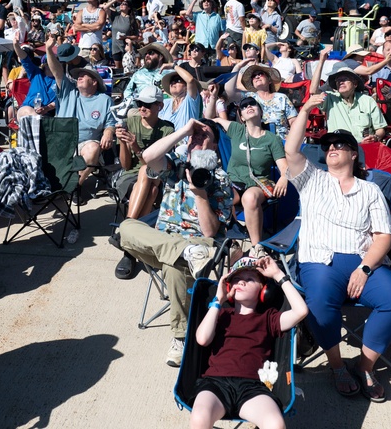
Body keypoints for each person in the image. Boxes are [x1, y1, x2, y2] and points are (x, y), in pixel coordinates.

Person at [284, 100, 391, 402]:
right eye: (329, 146)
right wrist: (303, 112)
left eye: (341, 144)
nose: (333, 149)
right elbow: (291, 150)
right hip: (319, 261)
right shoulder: (311, 179)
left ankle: (365, 367)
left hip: (361, 260)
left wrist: (364, 269)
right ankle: (337, 365)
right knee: (321, 306)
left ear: (354, 154)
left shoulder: (370, 189)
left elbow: (383, 237)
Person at [114, 119, 232, 367]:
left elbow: (211, 231)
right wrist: (185, 131)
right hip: (168, 242)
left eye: (204, 135)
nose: (197, 138)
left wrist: (200, 195)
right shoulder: (174, 167)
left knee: (174, 267)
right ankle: (186, 252)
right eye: (195, 135)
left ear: (215, 147)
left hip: (200, 242)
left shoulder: (221, 179)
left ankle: (180, 337)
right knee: (126, 227)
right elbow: (147, 156)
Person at [190, 256, 308, 429]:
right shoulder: (221, 315)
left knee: (275, 424)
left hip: (252, 387)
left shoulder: (268, 318)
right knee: (200, 417)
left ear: (263, 290)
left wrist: (278, 275)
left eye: (249, 279)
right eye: (236, 279)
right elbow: (202, 339)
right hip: (216, 383)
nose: (241, 282)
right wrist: (218, 301)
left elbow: (301, 311)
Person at [112, 85, 176, 279]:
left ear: (159, 105)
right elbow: (125, 164)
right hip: (132, 176)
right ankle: (131, 248)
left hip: (158, 174)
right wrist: (123, 142)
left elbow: (153, 164)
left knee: (147, 171)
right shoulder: (130, 122)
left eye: (147, 104)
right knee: (152, 191)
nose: (142, 108)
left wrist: (135, 146)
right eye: (139, 103)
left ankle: (126, 230)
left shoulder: (167, 129)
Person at [211, 95, 288, 252]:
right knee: (223, 194)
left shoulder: (272, 139)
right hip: (234, 181)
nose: (248, 107)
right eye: (244, 107)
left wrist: (284, 178)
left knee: (249, 197)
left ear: (261, 111)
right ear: (241, 116)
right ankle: (233, 239)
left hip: (258, 182)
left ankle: (256, 246)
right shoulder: (237, 130)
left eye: (253, 104)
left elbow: (284, 167)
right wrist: (213, 100)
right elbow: (215, 120)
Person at [45, 36, 116, 186]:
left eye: (84, 75)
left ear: (95, 81)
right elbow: (57, 71)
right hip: (61, 142)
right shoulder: (68, 92)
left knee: (93, 148)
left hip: (85, 144)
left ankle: (74, 186)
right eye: (78, 75)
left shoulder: (104, 100)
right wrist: (49, 51)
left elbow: (110, 122)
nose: (79, 77)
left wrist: (108, 132)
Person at [309, 59, 387, 143]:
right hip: (339, 147)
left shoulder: (368, 101)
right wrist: (321, 61)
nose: (340, 82)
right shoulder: (330, 98)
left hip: (365, 147)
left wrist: (375, 137)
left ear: (355, 84)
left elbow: (380, 129)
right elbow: (313, 91)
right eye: (338, 80)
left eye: (345, 79)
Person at [225, 61, 297, 137]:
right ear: (252, 83)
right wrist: (237, 67)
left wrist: (291, 139)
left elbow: (293, 121)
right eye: (253, 76)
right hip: (258, 143)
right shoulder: (248, 98)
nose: (257, 77)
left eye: (260, 74)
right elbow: (229, 90)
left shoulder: (282, 98)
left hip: (282, 141)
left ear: (269, 80)